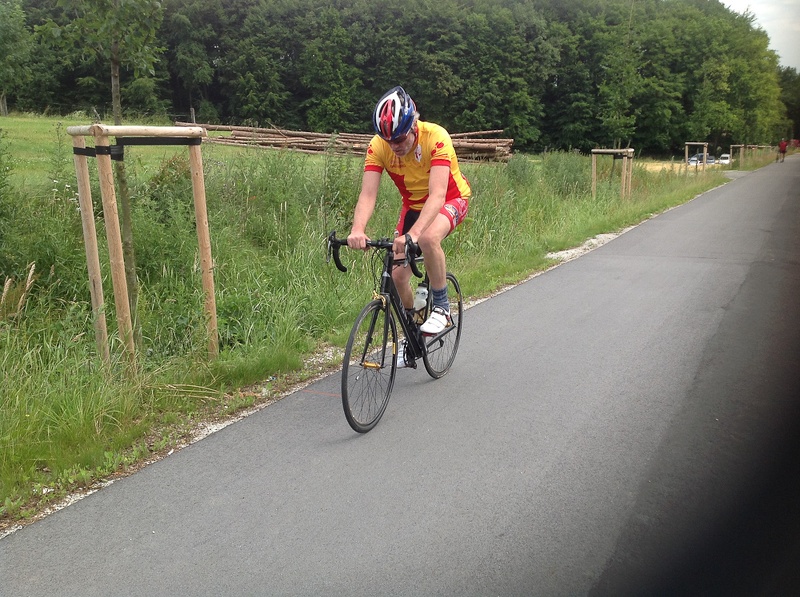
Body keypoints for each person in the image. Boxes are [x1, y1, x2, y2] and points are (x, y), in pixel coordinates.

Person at [347, 86, 470, 344]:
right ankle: (413, 334)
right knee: (397, 276)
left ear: (414, 125)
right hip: (413, 206)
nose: (394, 146)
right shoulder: (378, 146)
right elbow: (368, 194)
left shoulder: (436, 137)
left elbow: (437, 195)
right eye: (388, 140)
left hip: (450, 198)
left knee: (428, 238)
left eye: (400, 139)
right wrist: (357, 229)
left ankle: (442, 307)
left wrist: (412, 235)